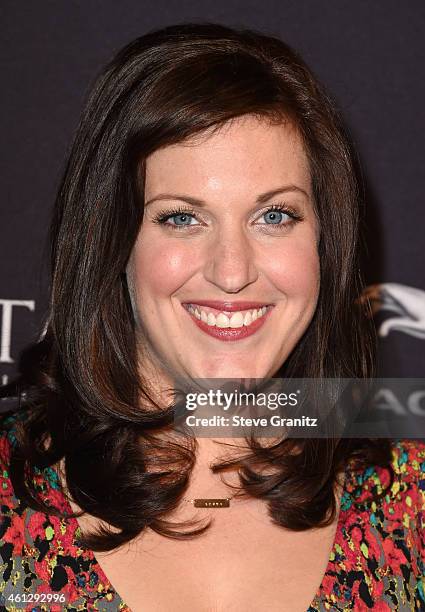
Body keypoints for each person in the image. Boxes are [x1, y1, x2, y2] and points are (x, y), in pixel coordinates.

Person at [0, 22, 424, 612]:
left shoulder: (412, 504)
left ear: (326, 243)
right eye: (181, 218)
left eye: (274, 216)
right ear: (113, 240)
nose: (232, 272)